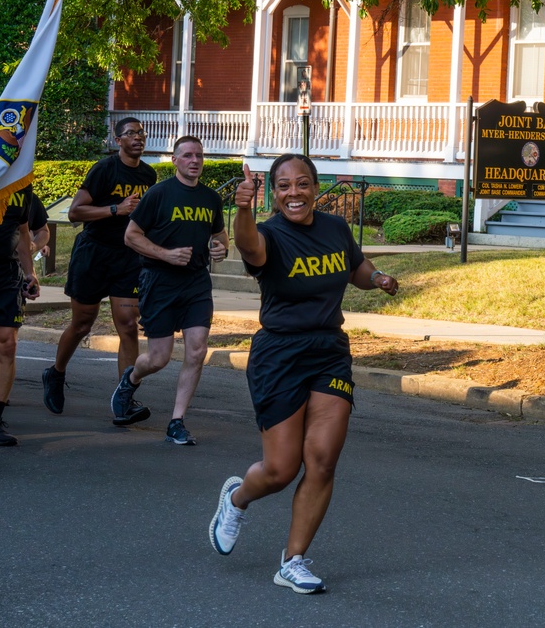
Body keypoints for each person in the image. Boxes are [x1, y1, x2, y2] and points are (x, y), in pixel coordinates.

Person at [208, 154, 398, 593]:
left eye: (302, 184)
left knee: (322, 460)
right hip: (279, 354)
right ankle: (237, 499)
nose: (294, 193)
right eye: (284, 186)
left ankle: (293, 560)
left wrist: (380, 278)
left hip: (329, 351)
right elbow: (248, 247)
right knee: (280, 468)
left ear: (315, 187)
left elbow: (356, 268)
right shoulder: (269, 234)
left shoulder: (335, 228)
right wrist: (240, 209)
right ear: (273, 194)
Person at [110, 135, 227, 444]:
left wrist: (220, 249)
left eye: (199, 155)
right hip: (159, 281)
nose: (194, 160)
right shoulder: (159, 194)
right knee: (159, 358)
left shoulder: (211, 198)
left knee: (198, 349)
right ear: (174, 160)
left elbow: (220, 236)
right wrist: (165, 254)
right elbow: (131, 236)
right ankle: (131, 378)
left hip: (196, 282)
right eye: (187, 155)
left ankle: (177, 420)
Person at [43, 117, 156, 414]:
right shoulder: (104, 169)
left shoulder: (148, 175)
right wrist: (116, 209)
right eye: (130, 133)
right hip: (93, 254)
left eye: (141, 133)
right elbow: (75, 212)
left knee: (129, 326)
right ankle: (55, 373)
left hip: (128, 257)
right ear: (117, 140)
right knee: (82, 324)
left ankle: (124, 399)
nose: (138, 137)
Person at [0, 177, 41, 446]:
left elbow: (23, 231)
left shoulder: (22, 185)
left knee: (7, 345)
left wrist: (30, 273)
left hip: (7, 273)